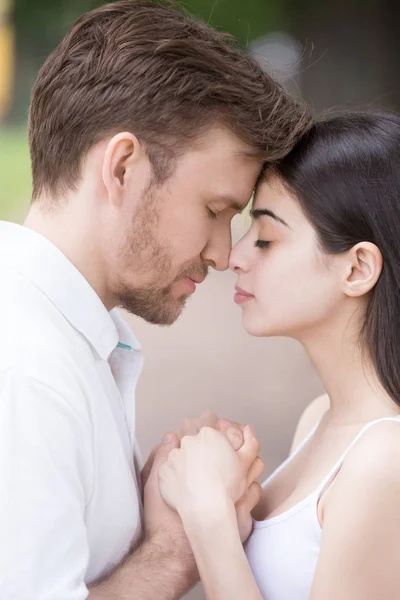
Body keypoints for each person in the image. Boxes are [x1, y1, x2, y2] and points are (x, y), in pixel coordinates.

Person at [0, 1, 311, 598]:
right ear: (122, 168)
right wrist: (173, 551)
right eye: (215, 210)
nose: (224, 254)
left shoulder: (62, 335)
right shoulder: (27, 373)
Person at [158, 110, 400, 600]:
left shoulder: (383, 460)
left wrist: (209, 518)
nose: (233, 257)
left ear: (356, 268)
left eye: (266, 239)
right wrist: (226, 491)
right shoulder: (319, 418)